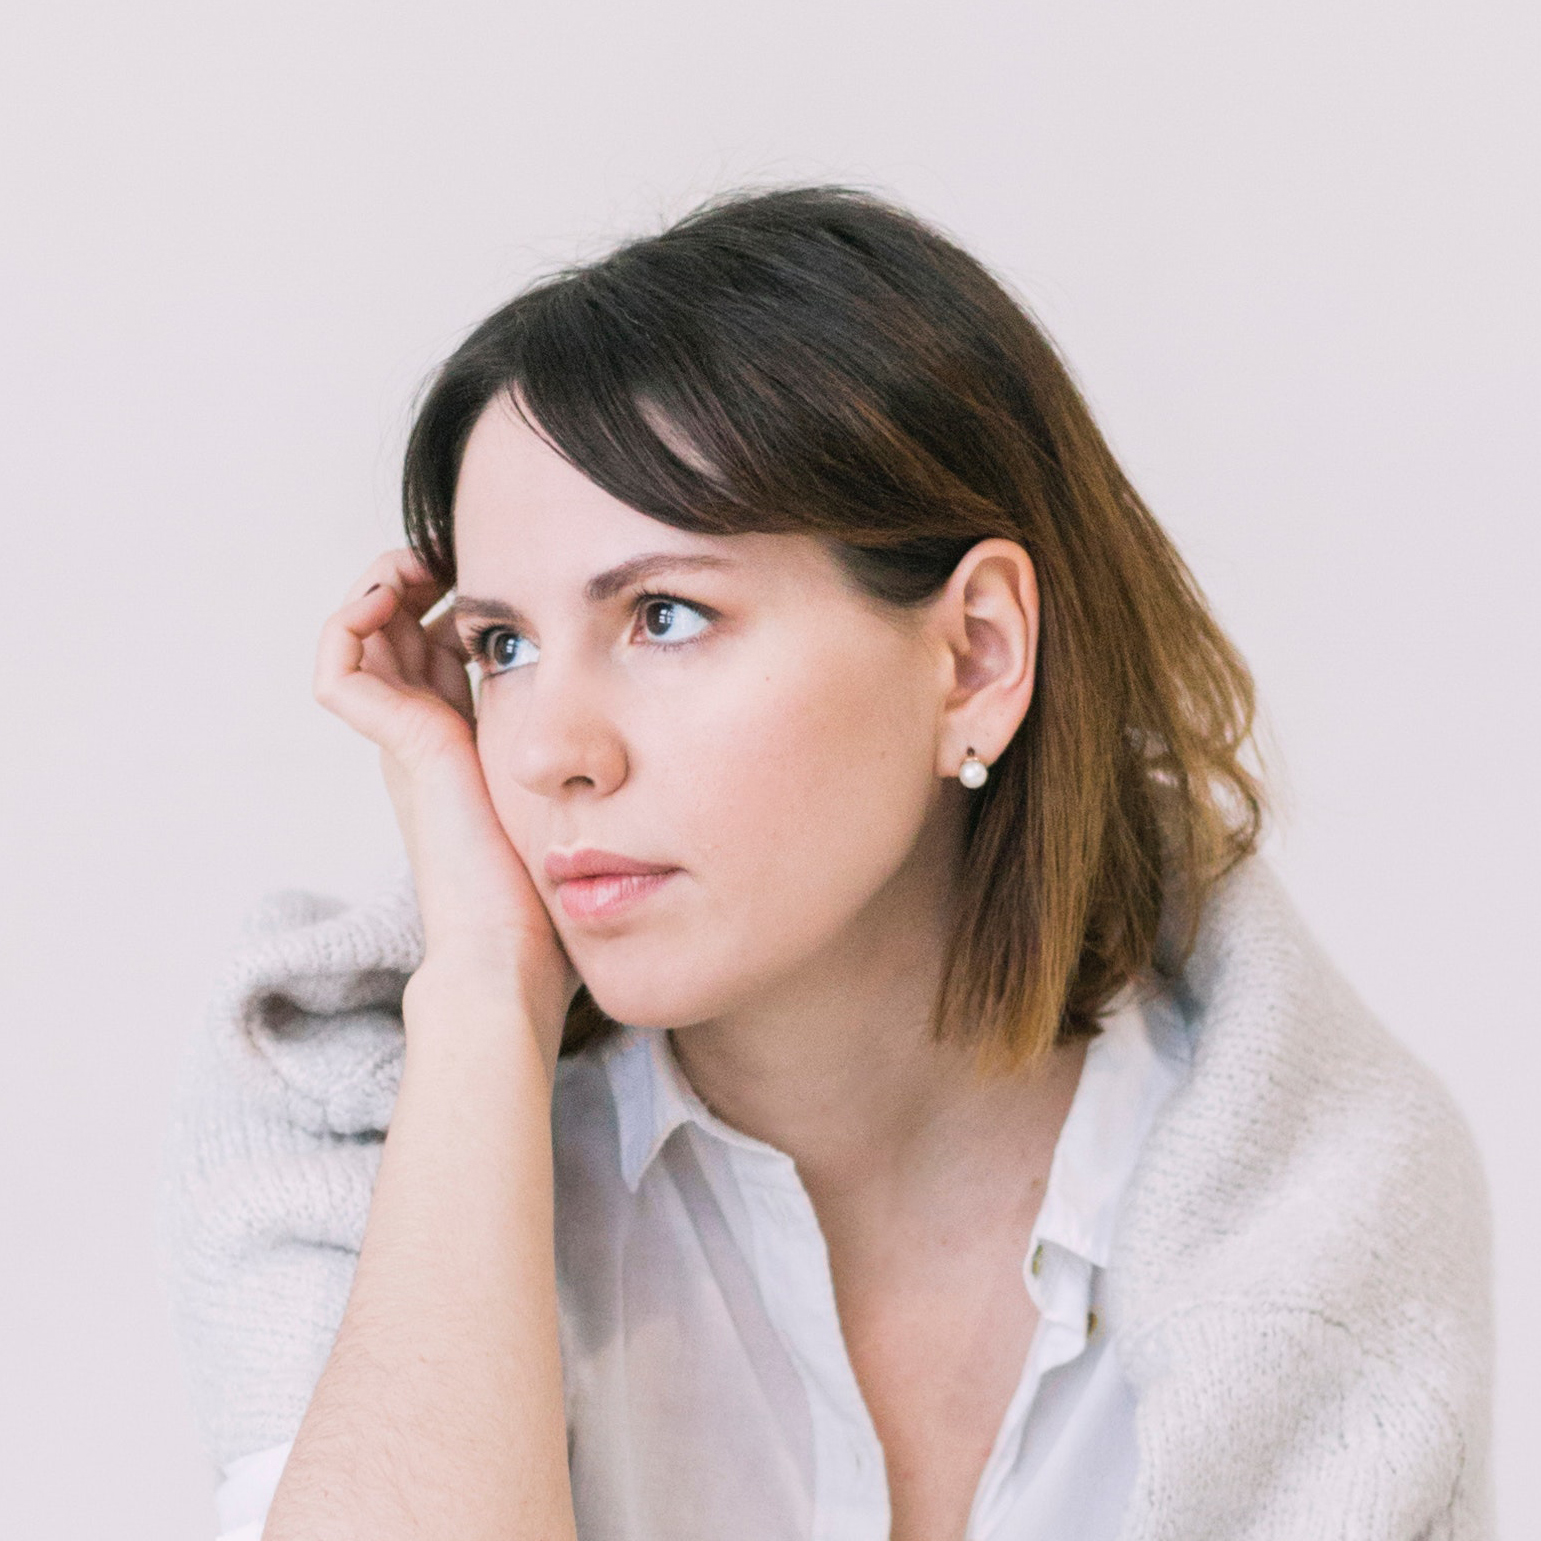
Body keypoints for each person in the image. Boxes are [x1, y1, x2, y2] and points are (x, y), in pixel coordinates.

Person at [157, 186, 1493, 1541]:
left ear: (973, 656)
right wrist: (485, 990)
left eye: (664, 614)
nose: (550, 750)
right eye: (503, 646)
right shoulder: (345, 1117)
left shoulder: (1322, 1206)